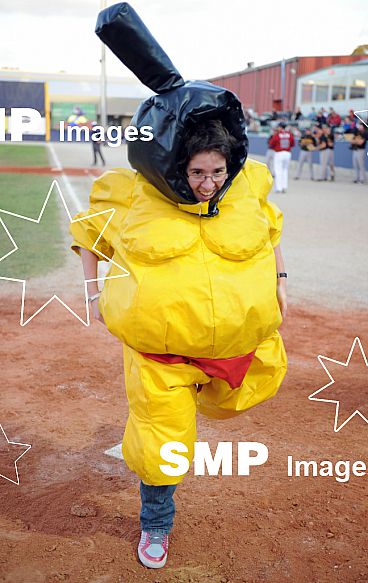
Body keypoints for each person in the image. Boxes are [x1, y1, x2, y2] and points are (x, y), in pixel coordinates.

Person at [70, 3, 287, 570]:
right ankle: (156, 525)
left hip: (238, 354)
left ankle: (187, 419)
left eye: (217, 172)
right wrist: (93, 292)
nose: (207, 184)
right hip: (161, 358)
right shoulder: (129, 195)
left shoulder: (244, 189)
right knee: (163, 446)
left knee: (243, 397)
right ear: (172, 164)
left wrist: (281, 280)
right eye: (196, 173)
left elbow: (271, 230)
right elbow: (91, 238)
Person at [268, 122, 295, 193]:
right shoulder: (289, 134)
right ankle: (284, 186)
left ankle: (278, 188)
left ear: (280, 127)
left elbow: (271, 144)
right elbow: (292, 144)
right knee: (285, 170)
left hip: (279, 153)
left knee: (278, 170)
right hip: (287, 153)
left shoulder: (277, 134)